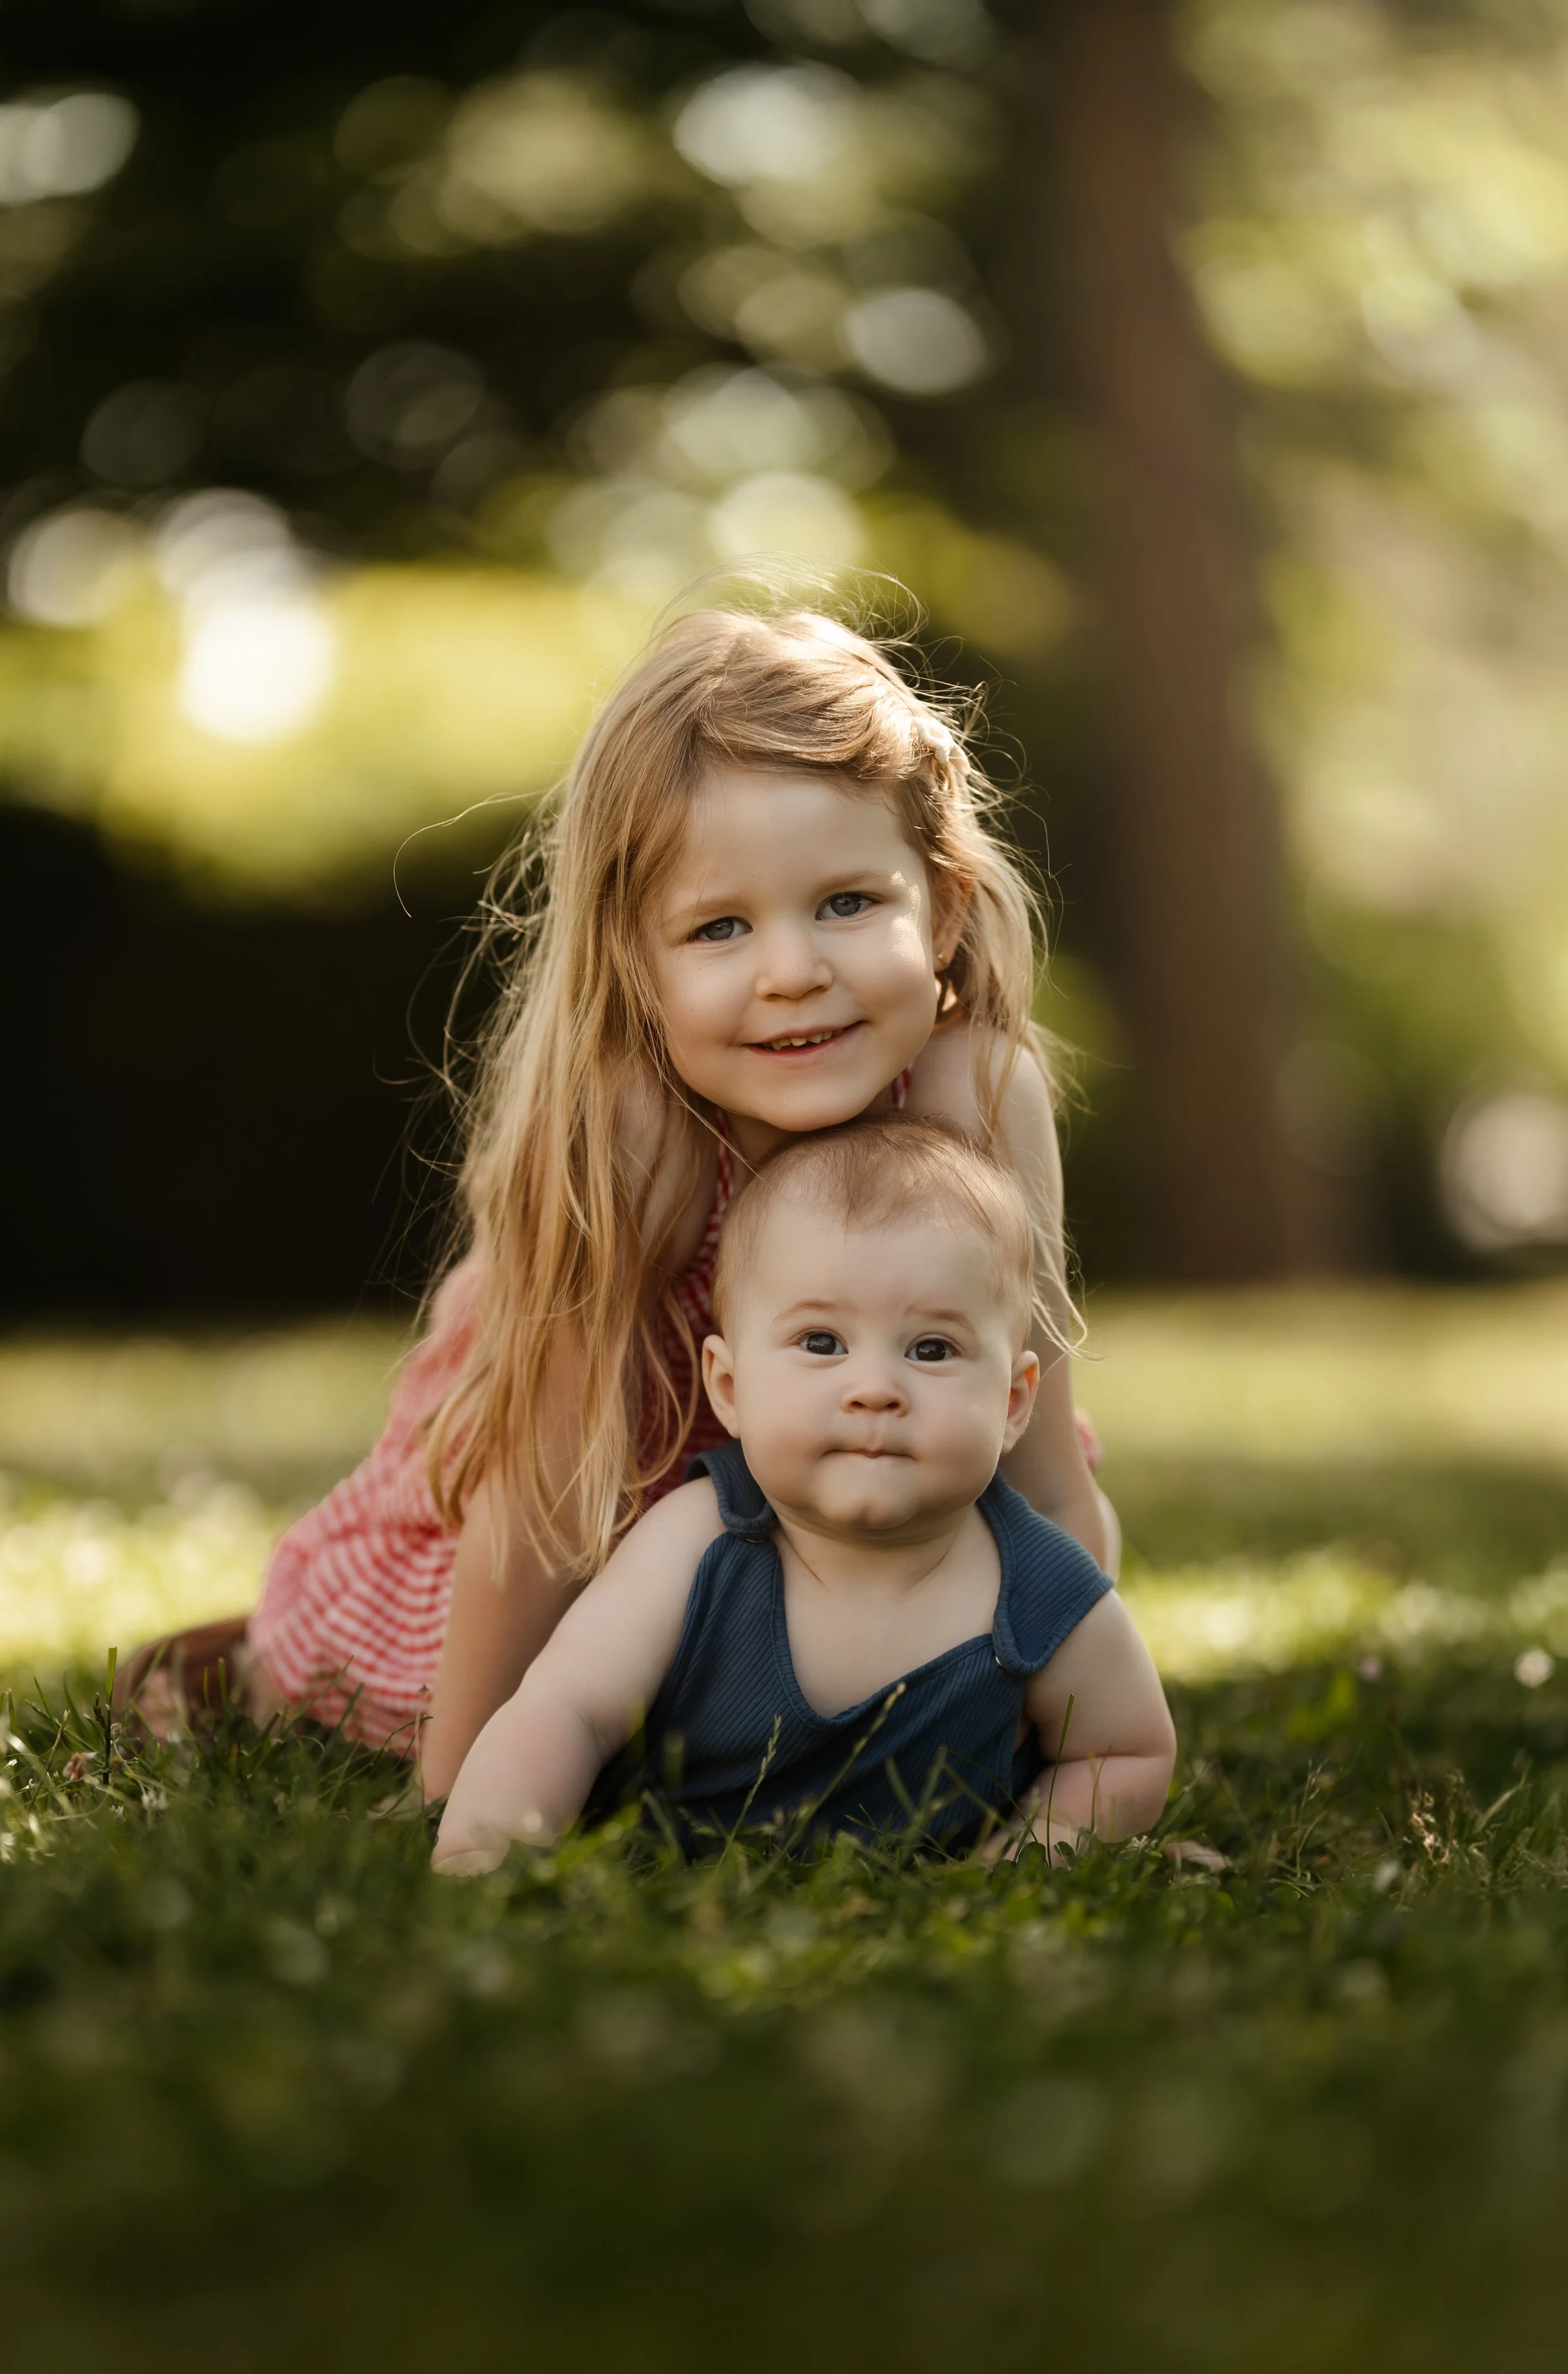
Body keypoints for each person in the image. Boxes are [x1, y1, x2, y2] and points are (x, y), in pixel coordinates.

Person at [119, 602, 1118, 1801]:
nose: (792, 970)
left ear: (944, 906)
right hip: (591, 1512)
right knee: (548, 1725)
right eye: (720, 926)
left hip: (849, 1507)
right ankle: (260, 1658)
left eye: (848, 903)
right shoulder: (640, 1134)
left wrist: (1077, 1738)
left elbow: (1044, 1470)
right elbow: (536, 1503)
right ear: (634, 963)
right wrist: (452, 1794)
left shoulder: (983, 1093)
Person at [433, 1120, 1172, 1872]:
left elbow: (1127, 1749)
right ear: (728, 1386)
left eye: (931, 1349)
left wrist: (1022, 1857)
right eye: (821, 1341)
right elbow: (566, 1707)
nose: (875, 1389)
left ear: (1014, 1401)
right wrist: (487, 1846)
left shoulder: (1041, 1592)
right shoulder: (698, 1541)